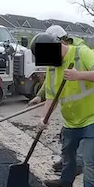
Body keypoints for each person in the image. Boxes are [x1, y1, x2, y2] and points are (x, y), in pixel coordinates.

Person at [26, 29, 94, 187]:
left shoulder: (82, 53)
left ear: (56, 46)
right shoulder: (52, 67)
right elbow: (51, 95)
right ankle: (66, 180)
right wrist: (43, 119)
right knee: (67, 152)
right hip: (72, 120)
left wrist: (79, 75)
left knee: (89, 161)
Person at [29, 25, 85, 175]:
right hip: (69, 102)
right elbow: (51, 78)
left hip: (83, 100)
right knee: (66, 134)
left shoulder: (77, 52)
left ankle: (77, 165)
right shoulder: (55, 56)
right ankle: (67, 162)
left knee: (79, 136)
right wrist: (40, 96)